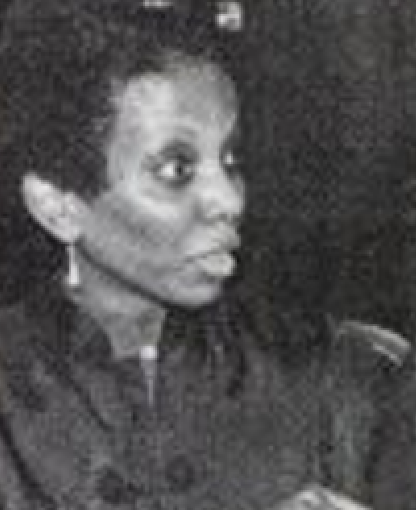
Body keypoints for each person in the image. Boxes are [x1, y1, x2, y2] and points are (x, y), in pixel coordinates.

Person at [0, 0, 409, 508]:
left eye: (231, 160)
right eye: (177, 169)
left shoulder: (345, 375)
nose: (230, 201)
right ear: (58, 206)